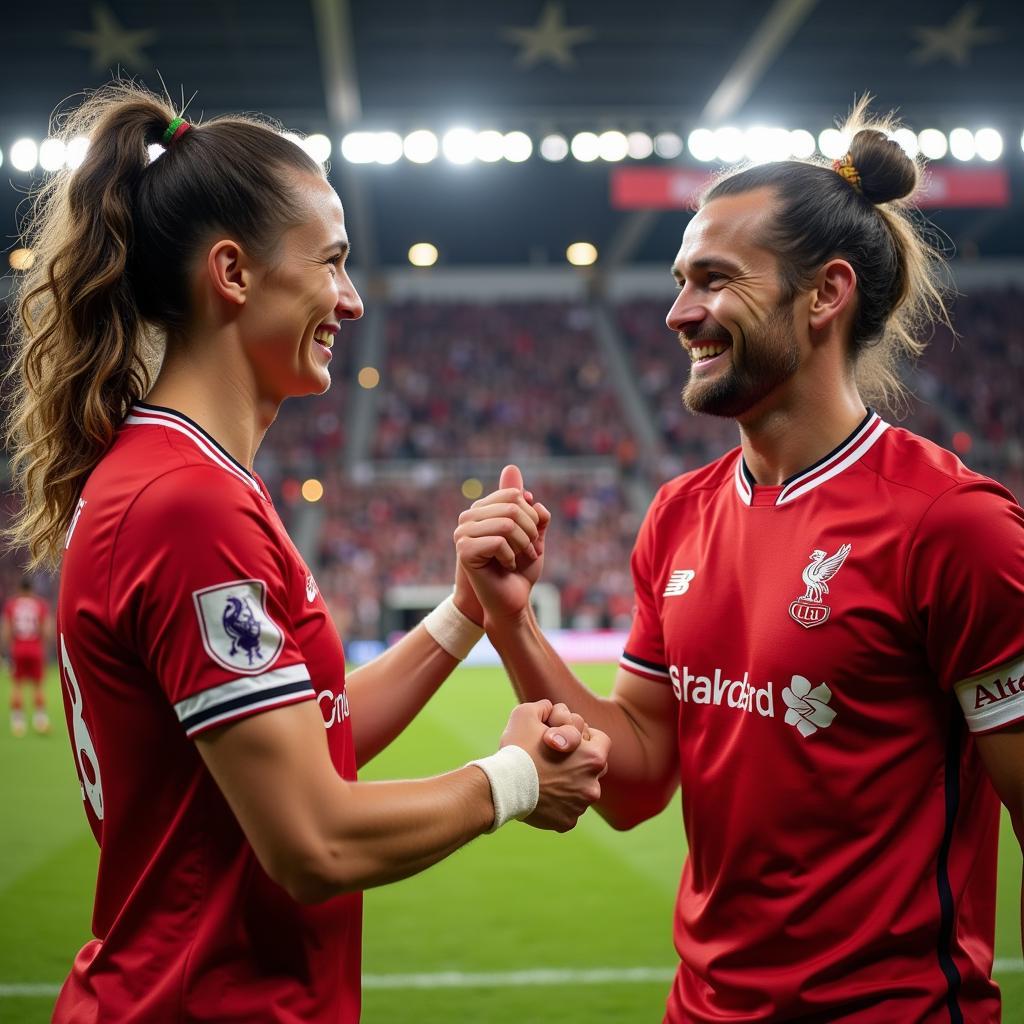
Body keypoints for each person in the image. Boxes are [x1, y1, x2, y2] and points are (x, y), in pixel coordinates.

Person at [4, 83, 609, 1023]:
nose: (353, 299)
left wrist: (463, 615)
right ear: (234, 274)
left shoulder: (182, 477)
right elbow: (311, 842)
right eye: (331, 262)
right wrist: (515, 779)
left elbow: (308, 738)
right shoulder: (187, 504)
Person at [456, 105, 1024, 1023]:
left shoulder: (952, 527)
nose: (679, 313)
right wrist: (512, 622)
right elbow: (636, 779)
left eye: (714, 281)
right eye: (681, 281)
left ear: (826, 294)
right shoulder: (678, 516)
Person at [2, 576, 51, 735]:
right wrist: (44, 647)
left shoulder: (11, 605)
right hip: (35, 649)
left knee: (17, 686)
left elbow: (7, 631)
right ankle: (41, 721)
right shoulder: (40, 604)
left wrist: (8, 650)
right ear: (31, 590)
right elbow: (46, 630)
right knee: (38, 686)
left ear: (19, 589)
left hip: (18, 649)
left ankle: (18, 723)